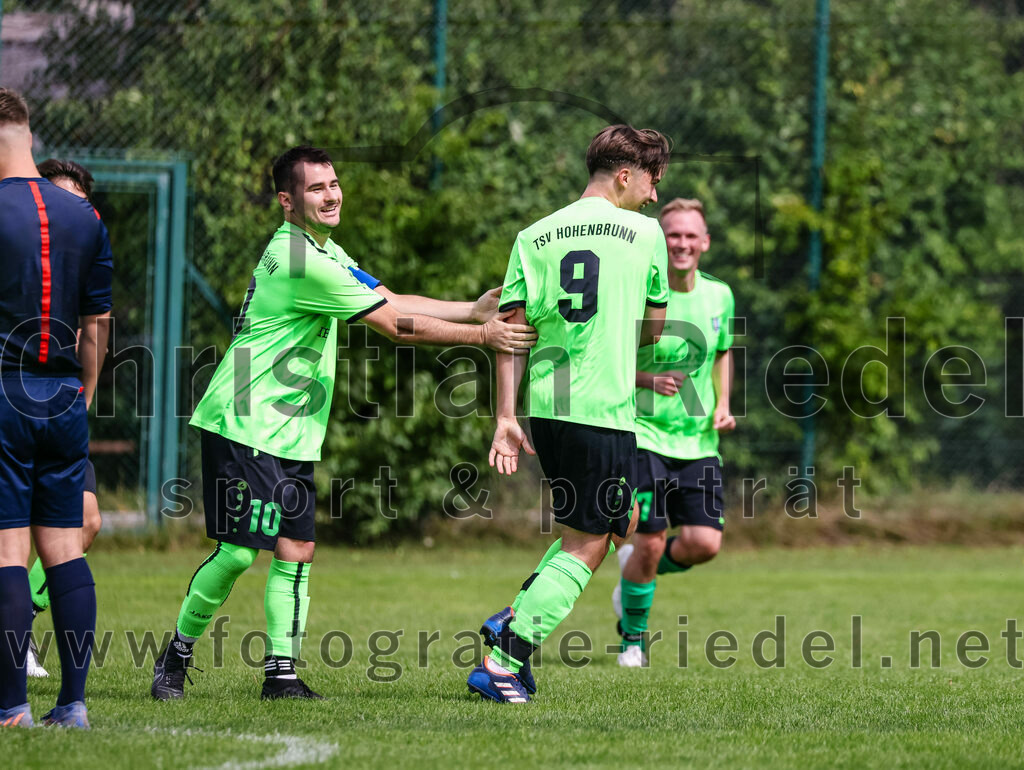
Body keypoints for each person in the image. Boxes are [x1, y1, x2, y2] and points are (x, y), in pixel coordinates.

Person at [151, 145, 538, 701]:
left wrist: (472, 309)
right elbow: (395, 325)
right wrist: (484, 337)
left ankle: (280, 676)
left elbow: (389, 296)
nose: (331, 195)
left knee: (296, 550)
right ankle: (175, 657)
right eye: (316, 188)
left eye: (334, 184)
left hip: (288, 429)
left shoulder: (325, 251)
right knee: (238, 552)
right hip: (243, 420)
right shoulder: (302, 261)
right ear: (287, 202)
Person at [469, 124, 671, 703]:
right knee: (591, 542)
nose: (654, 197)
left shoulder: (532, 236)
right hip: (602, 409)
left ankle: (515, 614)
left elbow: (509, 332)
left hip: (548, 411)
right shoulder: (644, 234)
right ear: (626, 176)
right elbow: (652, 332)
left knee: (612, 525)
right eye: (652, 183)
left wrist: (505, 417)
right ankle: (504, 657)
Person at [0, 89, 112, 728]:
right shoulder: (83, 216)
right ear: (30, 136)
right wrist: (82, 398)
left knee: (9, 553)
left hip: (5, 394)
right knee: (65, 548)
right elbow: (95, 328)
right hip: (65, 396)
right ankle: (72, 704)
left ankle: (11, 705)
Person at [611, 197, 736, 667]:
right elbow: (608, 359)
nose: (681, 243)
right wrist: (647, 381)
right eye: (672, 235)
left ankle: (633, 575)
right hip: (642, 434)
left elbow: (723, 350)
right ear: (659, 242)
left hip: (699, 441)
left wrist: (723, 403)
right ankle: (632, 641)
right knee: (650, 539)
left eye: (690, 235)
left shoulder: (719, 295)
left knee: (705, 544)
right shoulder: (638, 293)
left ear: (704, 242)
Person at [24, 159, 103, 679]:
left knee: (87, 519)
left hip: (60, 404)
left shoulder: (85, 250)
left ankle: (19, 623)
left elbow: (95, 328)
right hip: (16, 399)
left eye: (75, 201)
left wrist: (83, 398)